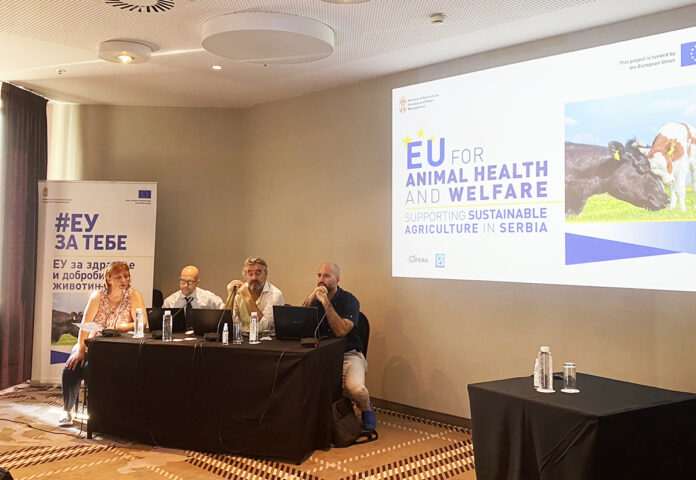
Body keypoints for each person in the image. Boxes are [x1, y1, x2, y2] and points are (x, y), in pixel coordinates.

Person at [59, 261, 146, 426]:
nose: (124, 280)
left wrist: (118, 327)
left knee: (92, 370)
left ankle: (105, 412)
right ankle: (67, 410)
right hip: (93, 345)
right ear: (109, 279)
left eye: (126, 276)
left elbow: (141, 323)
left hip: (118, 347)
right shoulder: (97, 296)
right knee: (72, 366)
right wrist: (81, 350)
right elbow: (85, 326)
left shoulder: (134, 295)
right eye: (119, 277)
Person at [302, 262, 376, 430]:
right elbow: (301, 324)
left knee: (356, 390)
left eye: (326, 276)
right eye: (319, 276)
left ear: (338, 279)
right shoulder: (314, 300)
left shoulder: (349, 300)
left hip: (348, 354)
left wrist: (326, 302)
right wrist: (310, 299)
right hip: (322, 354)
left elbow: (341, 331)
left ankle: (366, 407)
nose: (321, 280)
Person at [224, 257, 284, 332]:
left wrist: (248, 298)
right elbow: (224, 324)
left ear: (266, 274)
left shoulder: (275, 294)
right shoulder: (239, 291)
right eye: (250, 274)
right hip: (242, 336)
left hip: (265, 338)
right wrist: (230, 297)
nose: (254, 278)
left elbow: (264, 327)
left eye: (258, 273)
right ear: (245, 276)